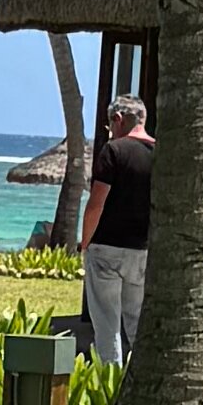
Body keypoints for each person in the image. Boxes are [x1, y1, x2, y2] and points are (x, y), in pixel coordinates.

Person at [77, 89, 155, 360]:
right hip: (142, 250)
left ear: (119, 119)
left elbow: (96, 203)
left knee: (107, 325)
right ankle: (136, 382)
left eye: (110, 123)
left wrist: (85, 242)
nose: (110, 129)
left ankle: (109, 386)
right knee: (136, 323)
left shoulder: (113, 150)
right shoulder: (159, 153)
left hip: (107, 247)